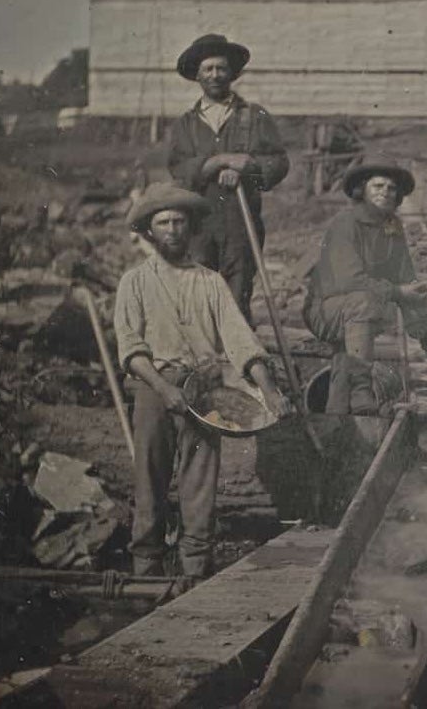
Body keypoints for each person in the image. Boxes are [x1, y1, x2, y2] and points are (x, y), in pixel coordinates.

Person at [114, 183, 290, 577]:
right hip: (154, 388)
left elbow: (240, 341)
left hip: (203, 391)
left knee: (199, 486)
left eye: (179, 222)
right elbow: (130, 348)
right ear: (149, 231)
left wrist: (269, 390)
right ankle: (146, 569)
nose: (172, 230)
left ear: (191, 228)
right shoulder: (134, 282)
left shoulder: (210, 282)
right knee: (150, 481)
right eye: (163, 223)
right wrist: (164, 389)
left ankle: (195, 570)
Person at [168, 34, 289, 322]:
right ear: (197, 75)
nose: (215, 75)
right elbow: (178, 168)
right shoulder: (186, 124)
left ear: (232, 73)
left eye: (221, 68)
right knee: (199, 293)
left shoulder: (253, 116)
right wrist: (218, 162)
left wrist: (248, 167)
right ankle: (203, 349)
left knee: (237, 293)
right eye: (208, 69)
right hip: (198, 223)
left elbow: (279, 161)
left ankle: (239, 348)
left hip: (240, 220)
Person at [302, 162, 427, 414]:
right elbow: (350, 281)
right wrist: (398, 293)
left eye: (391, 188)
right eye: (378, 186)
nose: (385, 192)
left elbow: (406, 278)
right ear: (362, 190)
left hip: (359, 311)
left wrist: (424, 324)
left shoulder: (392, 226)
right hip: (326, 309)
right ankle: (361, 391)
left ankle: (336, 420)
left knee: (345, 362)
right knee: (364, 303)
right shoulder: (345, 224)